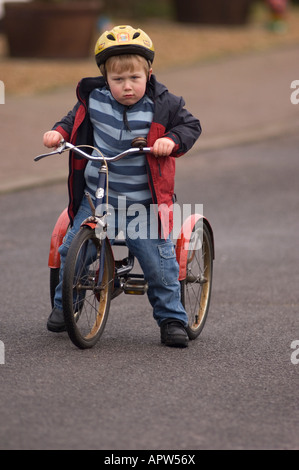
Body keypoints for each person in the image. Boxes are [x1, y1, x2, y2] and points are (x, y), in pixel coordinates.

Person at [43, 25, 201, 347]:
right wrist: (58, 133)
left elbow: (190, 125)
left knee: (160, 265)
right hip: (96, 199)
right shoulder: (94, 99)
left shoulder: (163, 104)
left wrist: (170, 140)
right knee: (72, 249)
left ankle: (172, 319)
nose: (127, 87)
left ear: (149, 73)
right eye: (118, 80)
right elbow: (71, 120)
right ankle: (64, 306)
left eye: (134, 78)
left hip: (141, 204)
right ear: (104, 77)